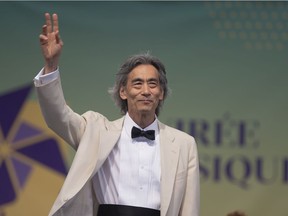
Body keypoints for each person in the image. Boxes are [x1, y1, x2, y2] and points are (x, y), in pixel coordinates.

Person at [34, 13, 200, 216]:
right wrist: (51, 66)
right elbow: (57, 115)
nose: (146, 91)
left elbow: (189, 209)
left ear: (161, 93)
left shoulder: (184, 144)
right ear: (123, 91)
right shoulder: (96, 131)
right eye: (137, 83)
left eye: (153, 84)